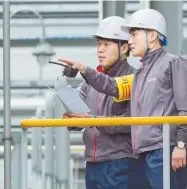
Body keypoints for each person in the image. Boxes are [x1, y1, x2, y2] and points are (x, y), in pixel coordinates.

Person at [60, 8, 187, 189]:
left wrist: (181, 145)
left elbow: (185, 106)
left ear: (152, 36)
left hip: (160, 150)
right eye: (99, 44)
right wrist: (85, 70)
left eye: (134, 34)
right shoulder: (140, 74)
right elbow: (112, 86)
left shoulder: (173, 63)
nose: (130, 39)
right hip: (144, 153)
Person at [62, 16, 148, 189]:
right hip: (93, 164)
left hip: (121, 164)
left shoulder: (134, 79)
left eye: (106, 45)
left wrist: (92, 120)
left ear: (124, 47)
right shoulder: (90, 82)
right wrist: (74, 121)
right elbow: (85, 117)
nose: (100, 50)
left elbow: (130, 123)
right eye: (99, 44)